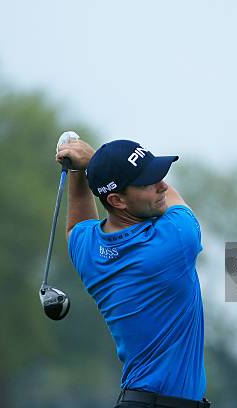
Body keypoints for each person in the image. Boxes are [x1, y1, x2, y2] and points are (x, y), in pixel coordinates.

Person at [56, 136, 210, 408]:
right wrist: (92, 163)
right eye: (148, 182)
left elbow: (76, 225)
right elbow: (174, 201)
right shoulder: (175, 239)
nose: (162, 185)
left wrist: (83, 172)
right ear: (117, 200)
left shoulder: (88, 249)